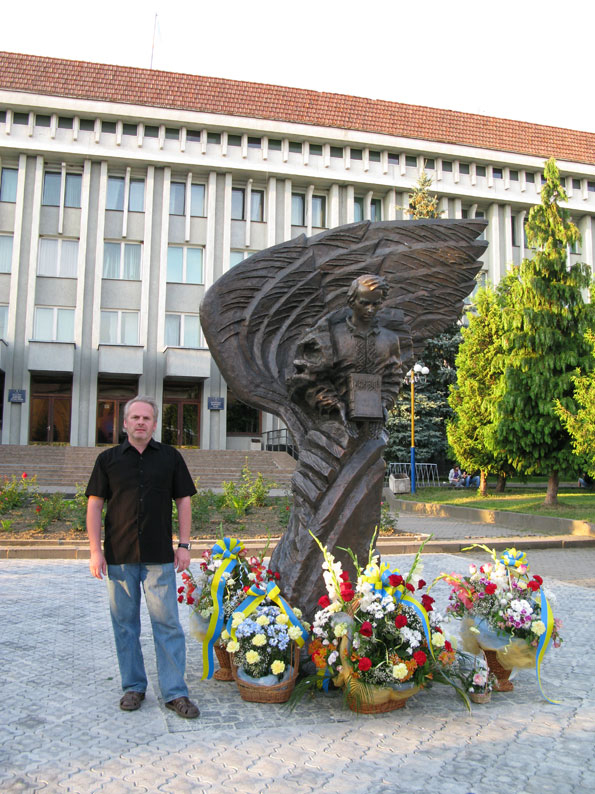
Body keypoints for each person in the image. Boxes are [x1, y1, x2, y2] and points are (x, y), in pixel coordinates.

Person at [86, 395, 199, 718]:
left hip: (158, 557)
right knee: (125, 626)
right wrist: (96, 551)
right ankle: (133, 687)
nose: (140, 423)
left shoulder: (170, 457)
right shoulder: (107, 460)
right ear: (125, 423)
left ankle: (175, 692)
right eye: (134, 418)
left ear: (154, 424)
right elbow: (95, 505)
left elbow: (184, 502)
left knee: (168, 625)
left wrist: (185, 545)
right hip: (119, 558)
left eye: (146, 418)